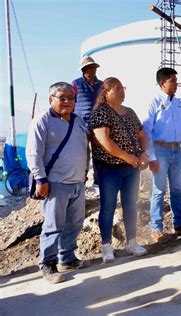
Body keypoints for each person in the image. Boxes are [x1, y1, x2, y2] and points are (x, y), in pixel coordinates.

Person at [26, 82, 89, 284]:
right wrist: (41, 179)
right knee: (53, 226)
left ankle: (67, 258)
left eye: (71, 98)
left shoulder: (78, 121)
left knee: (74, 223)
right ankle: (48, 263)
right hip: (55, 183)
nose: (67, 101)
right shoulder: (42, 121)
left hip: (78, 182)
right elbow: (33, 153)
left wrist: (85, 171)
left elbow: (84, 148)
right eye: (62, 97)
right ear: (51, 99)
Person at [89, 77, 148, 263]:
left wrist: (144, 153)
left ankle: (132, 242)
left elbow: (142, 134)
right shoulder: (101, 112)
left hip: (131, 168)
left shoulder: (130, 112)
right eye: (116, 88)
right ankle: (107, 247)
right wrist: (128, 157)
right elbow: (104, 142)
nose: (121, 91)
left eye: (122, 87)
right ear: (106, 92)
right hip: (109, 169)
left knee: (131, 204)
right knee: (108, 206)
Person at [142, 67, 181, 243]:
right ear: (162, 83)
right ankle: (156, 227)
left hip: (177, 150)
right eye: (172, 80)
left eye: (176, 80)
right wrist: (151, 157)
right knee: (159, 190)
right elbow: (147, 131)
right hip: (160, 150)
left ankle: (179, 223)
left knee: (177, 189)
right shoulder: (154, 102)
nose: (176, 84)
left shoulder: (178, 104)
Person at [72, 56, 103, 185]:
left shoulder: (101, 84)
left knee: (100, 151)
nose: (93, 69)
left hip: (98, 123)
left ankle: (98, 177)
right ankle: (82, 178)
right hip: (81, 124)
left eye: (94, 67)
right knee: (83, 153)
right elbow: (72, 102)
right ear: (84, 69)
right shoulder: (76, 84)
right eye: (91, 67)